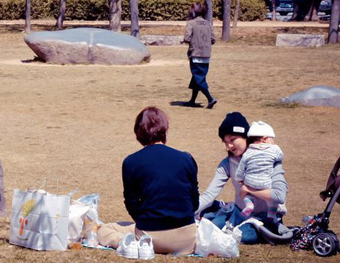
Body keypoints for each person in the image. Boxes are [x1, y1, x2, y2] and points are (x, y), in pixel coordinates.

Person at [98, 107, 199, 255]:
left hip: (150, 238)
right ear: (165, 128)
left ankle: (127, 243)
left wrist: (146, 220)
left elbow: (131, 203)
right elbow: (194, 201)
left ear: (139, 132)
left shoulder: (131, 162)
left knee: (104, 230)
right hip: (187, 239)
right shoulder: (186, 159)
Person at [197, 112, 289, 244]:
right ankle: (222, 211)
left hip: (266, 216)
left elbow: (279, 195)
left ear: (246, 137)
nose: (229, 146)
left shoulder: (269, 159)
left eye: (233, 139)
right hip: (240, 212)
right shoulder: (227, 163)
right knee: (212, 227)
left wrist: (249, 190)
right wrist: (186, 213)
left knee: (246, 236)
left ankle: (227, 216)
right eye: (225, 142)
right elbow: (209, 194)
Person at [235, 121, 283, 220]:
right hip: (265, 183)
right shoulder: (274, 149)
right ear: (265, 138)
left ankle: (249, 205)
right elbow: (280, 157)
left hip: (250, 182)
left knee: (248, 196)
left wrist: (239, 178)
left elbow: (241, 168)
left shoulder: (248, 152)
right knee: (272, 201)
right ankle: (271, 214)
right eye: (272, 139)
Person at [183, 2, 216, 109]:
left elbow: (187, 38)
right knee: (197, 78)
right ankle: (192, 100)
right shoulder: (208, 23)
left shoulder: (191, 23)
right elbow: (213, 39)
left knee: (199, 79)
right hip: (206, 56)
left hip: (195, 54)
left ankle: (210, 99)